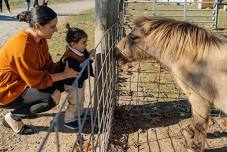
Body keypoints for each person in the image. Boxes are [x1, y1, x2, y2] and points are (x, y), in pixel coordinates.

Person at [0, 5, 78, 135]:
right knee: (53, 97)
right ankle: (13, 117)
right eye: (52, 27)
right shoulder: (23, 46)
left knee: (67, 79)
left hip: (23, 82)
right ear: (37, 26)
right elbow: (36, 81)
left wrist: (68, 63)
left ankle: (29, 109)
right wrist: (64, 75)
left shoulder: (41, 40)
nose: (56, 30)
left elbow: (48, 67)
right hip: (6, 90)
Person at [61, 23, 95, 130]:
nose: (85, 45)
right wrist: (89, 58)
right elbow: (78, 70)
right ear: (73, 44)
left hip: (79, 82)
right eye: (83, 42)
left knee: (81, 99)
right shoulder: (69, 58)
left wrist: (88, 55)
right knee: (74, 102)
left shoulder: (81, 50)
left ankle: (79, 114)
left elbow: (84, 58)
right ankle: (69, 120)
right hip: (72, 84)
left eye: (86, 42)